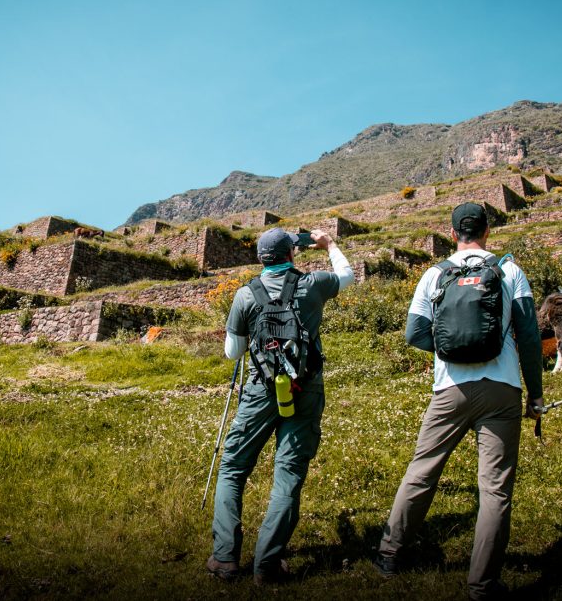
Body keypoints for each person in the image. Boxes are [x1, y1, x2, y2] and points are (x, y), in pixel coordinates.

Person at [374, 202, 544, 600]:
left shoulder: (434, 274)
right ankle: (482, 584)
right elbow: (530, 338)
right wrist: (535, 393)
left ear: (452, 234)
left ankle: (389, 555)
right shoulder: (509, 271)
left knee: (422, 471)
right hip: (502, 389)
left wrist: (448, 349)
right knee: (495, 489)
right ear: (488, 230)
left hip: (449, 390)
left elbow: (413, 333)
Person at [207, 226, 355, 585]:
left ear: (261, 259)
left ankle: (225, 558)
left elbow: (233, 352)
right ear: (292, 254)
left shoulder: (245, 295)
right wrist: (329, 244)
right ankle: (267, 565)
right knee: (287, 474)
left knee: (233, 468)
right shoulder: (314, 284)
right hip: (305, 389)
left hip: (260, 391)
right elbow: (348, 277)